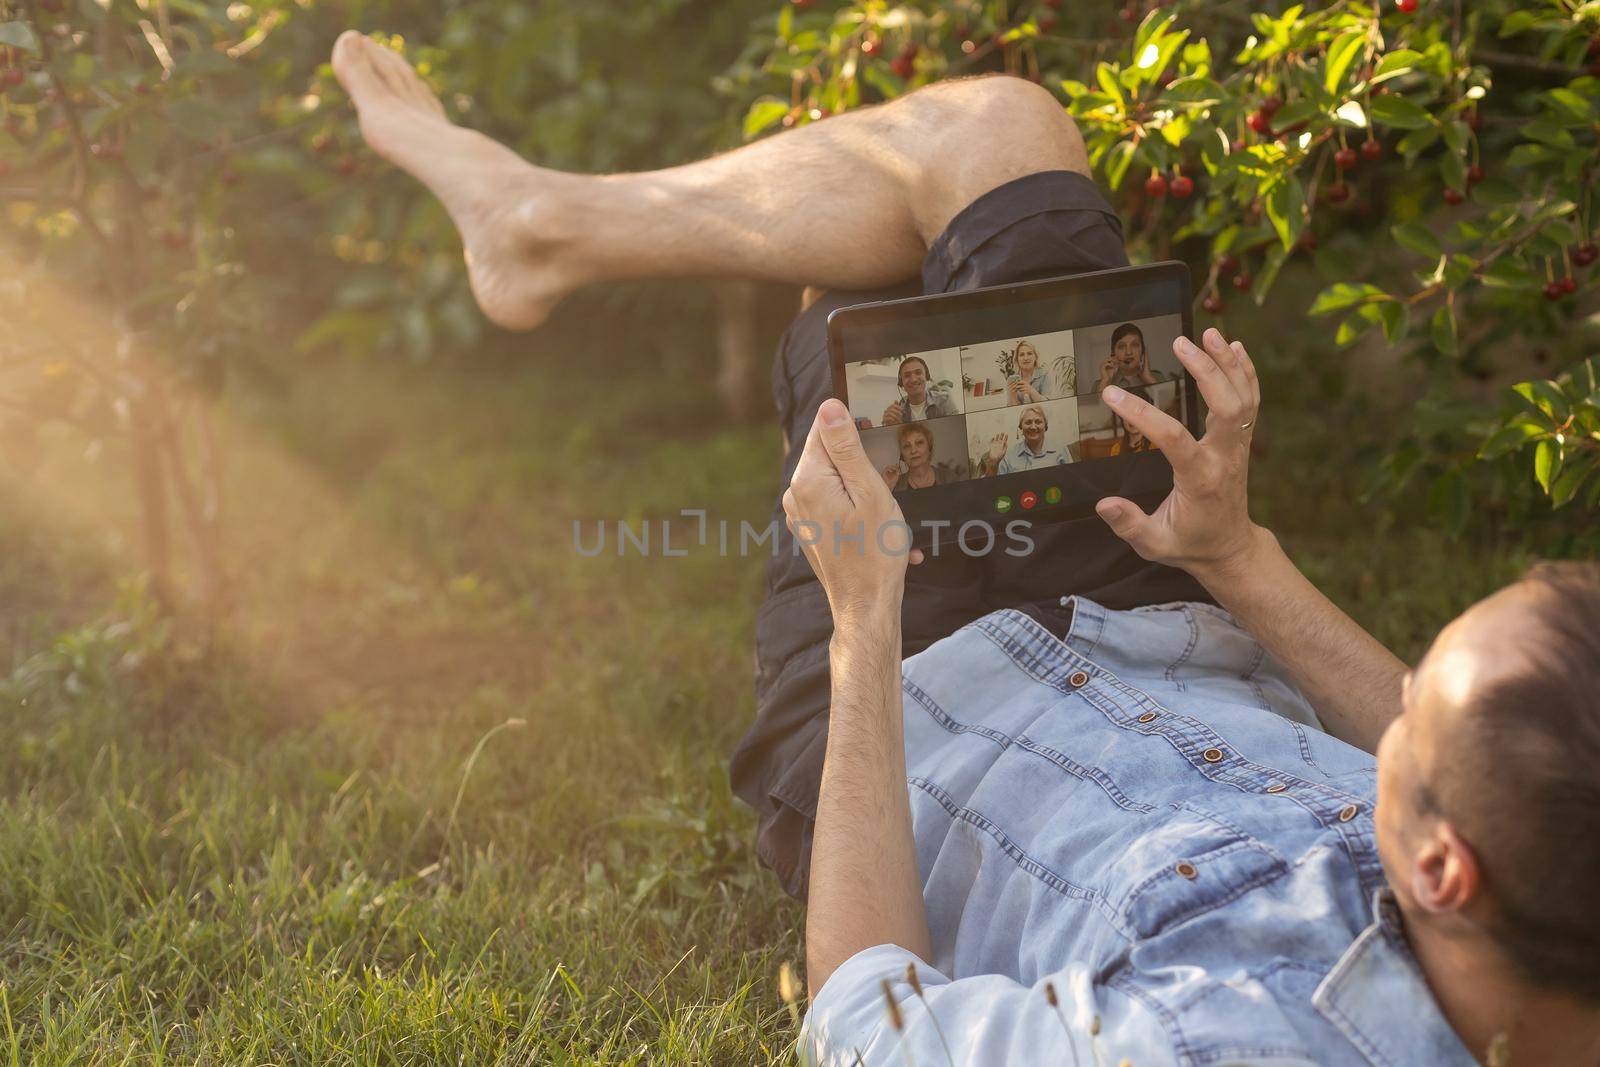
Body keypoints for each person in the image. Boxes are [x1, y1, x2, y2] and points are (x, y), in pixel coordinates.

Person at [331, 34, 1600, 1066]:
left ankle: (533, 223)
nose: (1384, 717)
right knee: (1000, 135)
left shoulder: (1211, 1040)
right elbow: (1501, 778)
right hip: (1157, 605)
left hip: (916, 691)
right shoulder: (1528, 882)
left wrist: (864, 623)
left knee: (860, 300)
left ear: (1440, 868)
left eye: (1407, 726)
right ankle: (539, 221)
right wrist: (1237, 554)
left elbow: (864, 1022)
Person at [977, 405, 1071, 476]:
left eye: (1038, 422)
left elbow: (1073, 480)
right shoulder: (1008, 455)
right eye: (1028, 422)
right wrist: (993, 462)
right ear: (1021, 427)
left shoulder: (1061, 449)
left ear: (1045, 426)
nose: (1033, 427)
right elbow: (990, 487)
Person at [880, 422, 954, 491]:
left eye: (919, 442)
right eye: (907, 446)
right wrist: (887, 488)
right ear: (902, 456)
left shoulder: (949, 477)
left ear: (930, 448)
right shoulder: (895, 485)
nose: (913, 450)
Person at [880, 355, 952, 425]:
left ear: (926, 376)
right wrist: (890, 425)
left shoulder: (944, 400)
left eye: (918, 373)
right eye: (907, 375)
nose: (913, 379)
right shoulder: (898, 411)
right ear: (901, 382)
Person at [1096, 322, 1164, 393]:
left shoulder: (1158, 378)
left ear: (1143, 351)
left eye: (1134, 345)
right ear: (1113, 352)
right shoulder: (1099, 385)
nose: (1128, 352)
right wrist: (1105, 382)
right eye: (1122, 346)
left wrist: (1149, 379)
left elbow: (1169, 403)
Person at [1004, 339, 1051, 405]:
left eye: (1029, 353)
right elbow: (1012, 411)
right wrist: (1013, 397)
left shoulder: (1045, 375)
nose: (1026, 358)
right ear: (1017, 359)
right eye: (1022, 354)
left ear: (1035, 357)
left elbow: (1049, 404)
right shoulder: (1011, 380)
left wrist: (1031, 391)